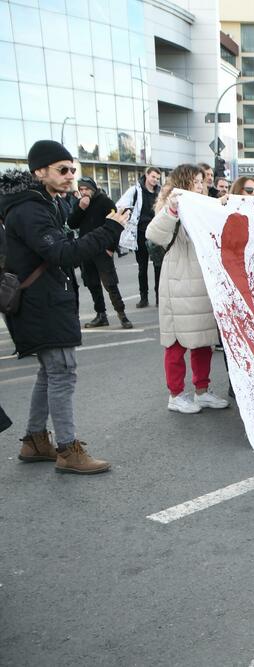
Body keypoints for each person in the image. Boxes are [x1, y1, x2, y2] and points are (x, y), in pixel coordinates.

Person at [2, 140, 128, 473]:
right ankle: (68, 450)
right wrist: (110, 229)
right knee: (62, 372)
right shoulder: (29, 209)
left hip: (45, 299)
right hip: (40, 303)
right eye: (63, 169)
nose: (71, 174)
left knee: (51, 372)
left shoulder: (44, 202)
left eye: (73, 168)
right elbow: (62, 254)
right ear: (39, 172)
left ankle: (35, 441)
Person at [146, 163, 229, 414]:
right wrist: (172, 209)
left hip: (203, 281)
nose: (201, 186)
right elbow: (154, 234)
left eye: (203, 181)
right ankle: (176, 394)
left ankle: (202, 391)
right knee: (176, 342)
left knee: (203, 340)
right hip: (179, 281)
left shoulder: (204, 205)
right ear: (184, 182)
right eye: (196, 181)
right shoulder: (171, 205)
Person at [68, 177, 133, 330]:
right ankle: (101, 315)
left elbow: (116, 224)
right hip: (86, 249)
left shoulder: (105, 201)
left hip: (102, 249)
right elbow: (71, 223)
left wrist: (111, 248)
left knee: (110, 284)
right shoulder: (79, 203)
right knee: (92, 284)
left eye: (86, 189)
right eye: (81, 189)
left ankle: (122, 315)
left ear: (93, 188)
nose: (84, 192)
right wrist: (80, 208)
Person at [117, 166, 161, 308]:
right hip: (140, 233)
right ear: (146, 175)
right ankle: (144, 297)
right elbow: (121, 205)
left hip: (155, 233)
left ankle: (159, 297)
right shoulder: (135, 190)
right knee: (142, 268)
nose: (155, 180)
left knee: (158, 266)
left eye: (157, 178)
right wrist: (128, 217)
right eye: (153, 177)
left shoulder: (159, 192)